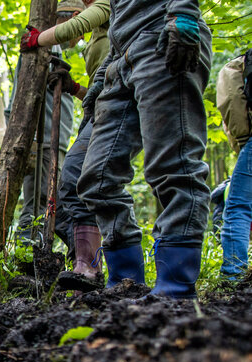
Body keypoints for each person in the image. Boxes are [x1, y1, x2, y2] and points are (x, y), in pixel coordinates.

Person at [76, 0, 213, 299]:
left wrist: (184, 11)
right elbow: (120, 18)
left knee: (174, 166)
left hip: (162, 35)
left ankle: (175, 292)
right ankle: (126, 287)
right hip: (120, 60)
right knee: (97, 179)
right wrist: (101, 78)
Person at [22, 0, 113, 284]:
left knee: (77, 179)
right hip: (98, 107)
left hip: (111, 108)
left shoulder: (107, 8)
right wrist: (74, 88)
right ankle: (84, 264)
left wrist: (39, 38)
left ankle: (90, 267)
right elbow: (99, 87)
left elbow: (78, 26)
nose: (80, 39)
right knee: (68, 190)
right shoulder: (101, 36)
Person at [8, 0, 83, 248]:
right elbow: (21, 92)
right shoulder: (44, 46)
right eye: (80, 29)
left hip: (55, 140)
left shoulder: (57, 49)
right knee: (39, 199)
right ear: (72, 18)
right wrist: (24, 139)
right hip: (42, 141)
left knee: (48, 199)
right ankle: (26, 251)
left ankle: (37, 248)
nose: (80, 38)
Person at [216, 49, 252, 280]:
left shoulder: (237, 67)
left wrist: (243, 143)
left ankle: (233, 275)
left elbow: (232, 101)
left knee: (238, 207)